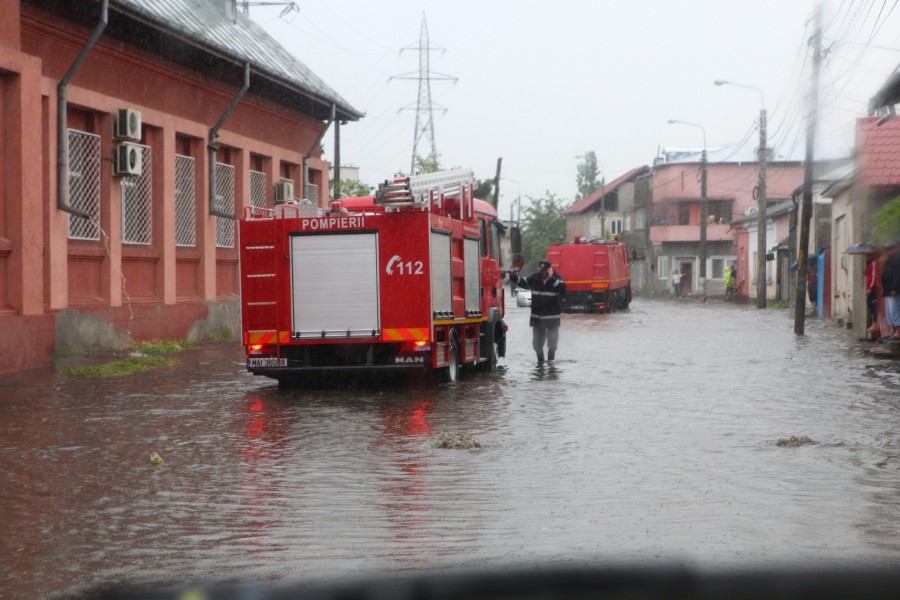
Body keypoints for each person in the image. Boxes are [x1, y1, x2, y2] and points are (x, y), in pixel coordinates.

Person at [509, 260, 566, 363]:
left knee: (552, 344)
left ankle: (550, 362)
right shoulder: (534, 278)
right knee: (537, 344)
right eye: (541, 270)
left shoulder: (557, 278)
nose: (542, 273)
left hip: (552, 319)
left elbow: (562, 289)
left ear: (549, 270)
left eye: (544, 271)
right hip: (537, 318)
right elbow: (522, 282)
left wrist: (551, 278)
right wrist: (513, 276)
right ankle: (540, 363)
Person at [881, 249, 900, 341]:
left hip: (893, 290)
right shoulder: (888, 261)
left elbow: (897, 275)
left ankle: (898, 332)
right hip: (887, 290)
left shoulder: (897, 259)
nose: (885, 252)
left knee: (895, 311)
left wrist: (894, 288)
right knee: (889, 312)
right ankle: (892, 331)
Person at [865, 254, 879, 340]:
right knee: (870, 304)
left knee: (873, 305)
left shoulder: (873, 263)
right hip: (871, 288)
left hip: (873, 288)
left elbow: (874, 276)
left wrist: (870, 288)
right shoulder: (869, 264)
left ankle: (874, 324)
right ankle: (873, 324)